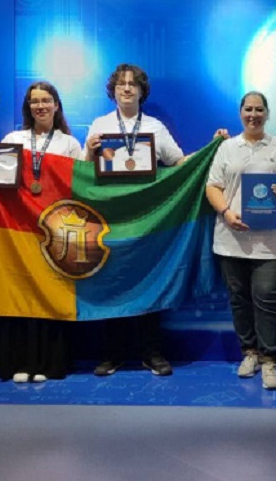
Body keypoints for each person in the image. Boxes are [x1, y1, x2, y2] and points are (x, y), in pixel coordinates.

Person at [0, 81, 82, 383]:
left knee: (49, 293)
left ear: (56, 105)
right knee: (18, 292)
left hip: (52, 232)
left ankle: (48, 363)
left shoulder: (70, 144)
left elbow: (82, 188)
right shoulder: (13, 139)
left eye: (46, 100)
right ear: (28, 107)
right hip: (18, 232)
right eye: (34, 101)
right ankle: (18, 362)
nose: (40, 106)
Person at [84, 63, 188, 377]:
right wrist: (89, 151)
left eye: (133, 84)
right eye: (121, 84)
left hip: (147, 218)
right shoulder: (100, 125)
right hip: (111, 219)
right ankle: (112, 354)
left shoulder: (155, 127)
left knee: (148, 283)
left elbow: (178, 162)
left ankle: (151, 353)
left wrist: (206, 155)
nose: (127, 89)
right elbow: (82, 172)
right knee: (112, 284)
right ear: (113, 91)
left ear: (142, 91)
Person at [205, 92, 276, 390]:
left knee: (267, 297)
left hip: (271, 241)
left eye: (259, 110)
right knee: (239, 299)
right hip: (232, 237)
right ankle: (250, 353)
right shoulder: (227, 147)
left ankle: (270, 360)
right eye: (248, 109)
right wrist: (226, 212)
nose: (254, 115)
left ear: (267, 114)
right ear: (240, 112)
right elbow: (212, 186)